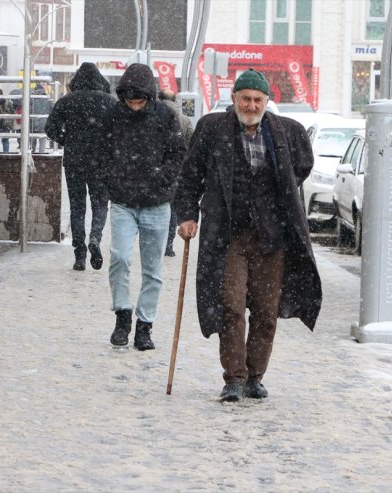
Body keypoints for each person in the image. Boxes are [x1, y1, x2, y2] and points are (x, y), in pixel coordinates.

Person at [174, 68, 322, 401]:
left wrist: (275, 197)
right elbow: (189, 177)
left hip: (272, 239)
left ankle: (256, 376)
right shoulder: (212, 129)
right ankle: (234, 378)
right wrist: (186, 215)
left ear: (267, 101)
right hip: (228, 237)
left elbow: (302, 166)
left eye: (257, 100)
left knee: (267, 311)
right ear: (234, 98)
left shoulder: (288, 132)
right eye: (246, 98)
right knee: (231, 306)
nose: (251, 105)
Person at [99, 63, 186, 350]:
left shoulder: (165, 117)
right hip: (124, 202)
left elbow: (177, 154)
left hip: (157, 204)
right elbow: (102, 154)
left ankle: (144, 327)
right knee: (120, 258)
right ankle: (122, 315)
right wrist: (112, 181)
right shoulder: (113, 117)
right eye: (130, 101)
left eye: (139, 101)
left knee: (153, 270)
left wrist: (162, 180)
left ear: (149, 97)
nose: (134, 107)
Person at [45, 63, 117, 271]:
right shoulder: (109, 102)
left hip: (75, 160)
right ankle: (95, 236)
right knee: (100, 203)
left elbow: (50, 128)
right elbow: (119, 131)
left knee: (77, 206)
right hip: (100, 162)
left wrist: (67, 139)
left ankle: (80, 255)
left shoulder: (67, 101)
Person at [157, 89, 194, 257]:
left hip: (156, 169)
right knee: (172, 209)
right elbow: (191, 144)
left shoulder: (154, 115)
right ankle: (169, 244)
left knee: (157, 208)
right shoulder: (184, 120)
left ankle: (157, 241)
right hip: (177, 170)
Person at [31, 84, 51, 153]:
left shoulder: (32, 98)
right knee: (42, 143)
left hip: (33, 123)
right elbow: (51, 111)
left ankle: (32, 157)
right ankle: (41, 158)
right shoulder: (48, 99)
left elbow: (28, 110)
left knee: (32, 144)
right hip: (44, 123)